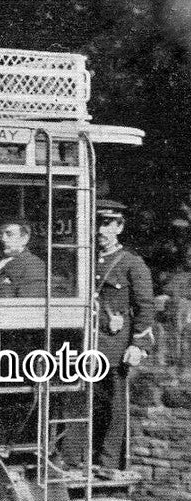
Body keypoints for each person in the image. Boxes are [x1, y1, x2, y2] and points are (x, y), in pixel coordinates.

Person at [88, 198, 155, 475]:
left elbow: (145, 306)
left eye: (106, 224)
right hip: (87, 345)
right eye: (97, 224)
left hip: (114, 346)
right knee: (85, 400)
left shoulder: (131, 263)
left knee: (114, 405)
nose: (100, 230)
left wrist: (138, 344)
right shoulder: (87, 260)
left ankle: (108, 463)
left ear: (119, 227)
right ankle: (79, 458)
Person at [0, 218, 46, 298]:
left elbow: (30, 306)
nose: (3, 239)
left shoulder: (32, 264)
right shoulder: (1, 264)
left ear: (24, 239)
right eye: (1, 235)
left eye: (9, 234)